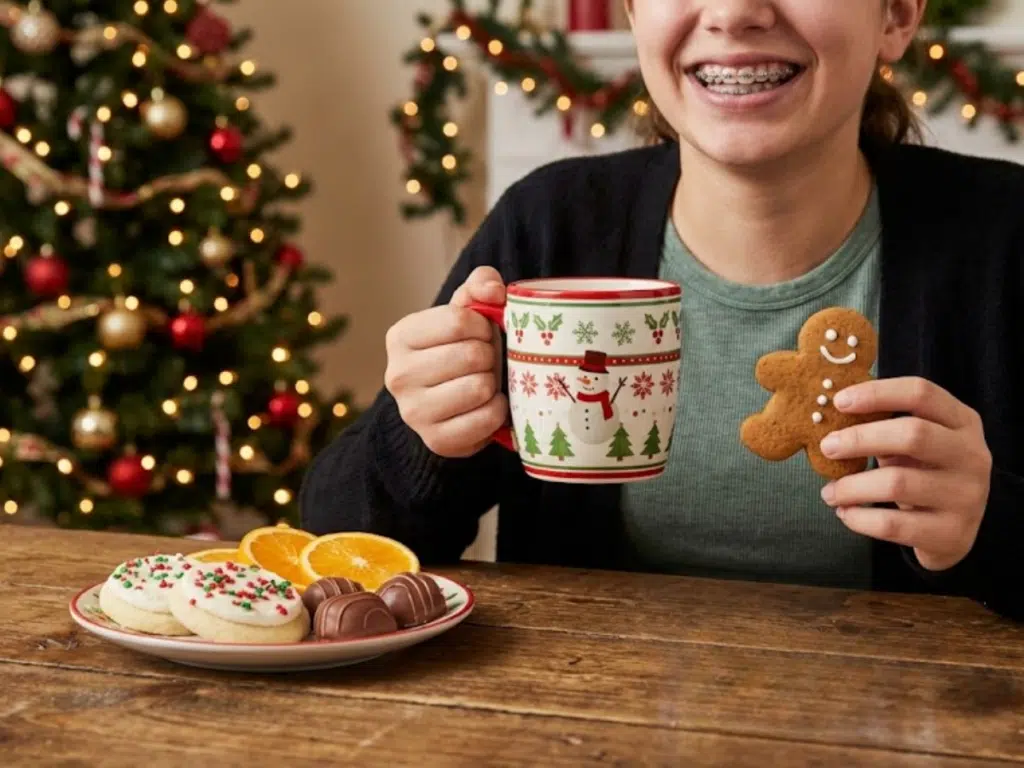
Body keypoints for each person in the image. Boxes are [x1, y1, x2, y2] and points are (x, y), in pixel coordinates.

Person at [301, 0, 1023, 621]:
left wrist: (991, 523)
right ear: (633, 11)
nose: (734, 12)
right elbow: (336, 544)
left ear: (897, 15)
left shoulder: (1005, 237)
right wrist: (423, 436)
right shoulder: (550, 224)